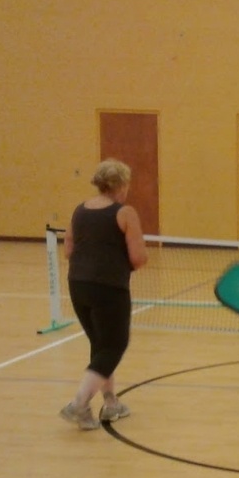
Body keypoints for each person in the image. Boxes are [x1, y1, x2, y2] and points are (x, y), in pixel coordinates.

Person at [59, 159, 148, 430]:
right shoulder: (125, 213)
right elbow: (138, 257)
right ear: (121, 185)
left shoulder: (80, 211)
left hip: (78, 284)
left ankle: (111, 404)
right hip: (109, 288)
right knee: (113, 346)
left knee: (100, 346)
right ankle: (79, 404)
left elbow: (68, 251)